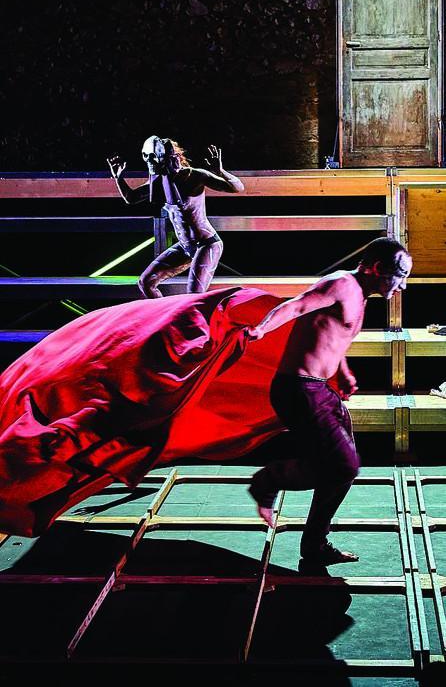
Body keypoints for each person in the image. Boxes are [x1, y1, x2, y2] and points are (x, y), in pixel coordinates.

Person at [245, 237, 413, 569]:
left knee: (340, 472)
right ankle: (268, 481)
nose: (403, 285)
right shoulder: (341, 284)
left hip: (320, 389)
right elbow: (296, 307)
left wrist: (344, 372)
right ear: (377, 268)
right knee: (343, 466)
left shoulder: (360, 295)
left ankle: (315, 545)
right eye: (400, 275)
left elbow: (335, 335)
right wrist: (261, 329)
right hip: (299, 389)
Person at [107, 136, 244, 297]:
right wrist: (118, 178)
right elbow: (131, 198)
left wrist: (220, 171)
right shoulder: (159, 182)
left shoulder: (194, 176)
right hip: (185, 246)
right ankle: (164, 313)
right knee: (146, 282)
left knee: (193, 295)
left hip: (206, 244)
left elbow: (237, 187)